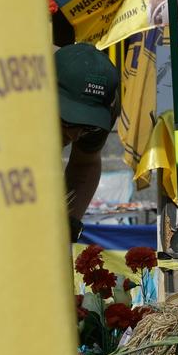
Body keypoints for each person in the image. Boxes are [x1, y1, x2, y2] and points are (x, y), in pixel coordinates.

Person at [56, 43, 120, 241]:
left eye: (87, 126)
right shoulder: (11, 98)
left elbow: (85, 163)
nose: (75, 136)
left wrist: (68, 224)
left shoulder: (106, 105)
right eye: (67, 120)